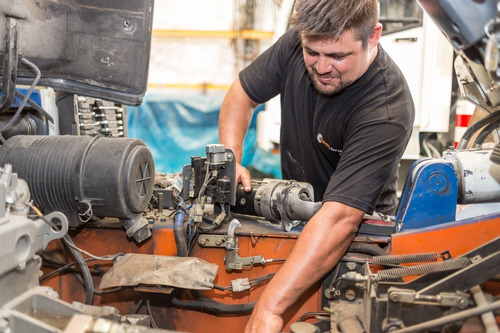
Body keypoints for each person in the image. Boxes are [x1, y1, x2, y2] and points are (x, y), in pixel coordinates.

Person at [218, 0, 415, 332]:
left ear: (374, 36)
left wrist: (269, 310)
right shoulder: (296, 42)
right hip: (294, 218)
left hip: (355, 239)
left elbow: (339, 219)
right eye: (313, 52)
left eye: (338, 56)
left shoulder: (385, 110)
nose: (322, 67)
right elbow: (241, 95)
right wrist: (230, 158)